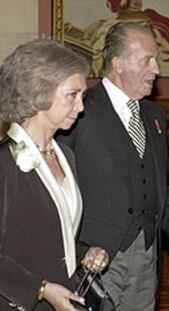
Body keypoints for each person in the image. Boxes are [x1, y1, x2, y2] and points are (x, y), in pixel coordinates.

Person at [58, 22, 169, 311]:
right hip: (95, 263)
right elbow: (56, 192)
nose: (157, 69)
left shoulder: (154, 115)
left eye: (157, 59)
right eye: (147, 59)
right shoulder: (79, 110)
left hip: (147, 259)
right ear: (118, 64)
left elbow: (159, 190)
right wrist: (79, 251)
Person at [0, 39, 109, 311]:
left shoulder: (65, 157)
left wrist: (85, 253)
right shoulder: (4, 164)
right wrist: (41, 289)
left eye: (82, 96)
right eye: (72, 95)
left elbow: (54, 235)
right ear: (39, 92)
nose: (81, 107)